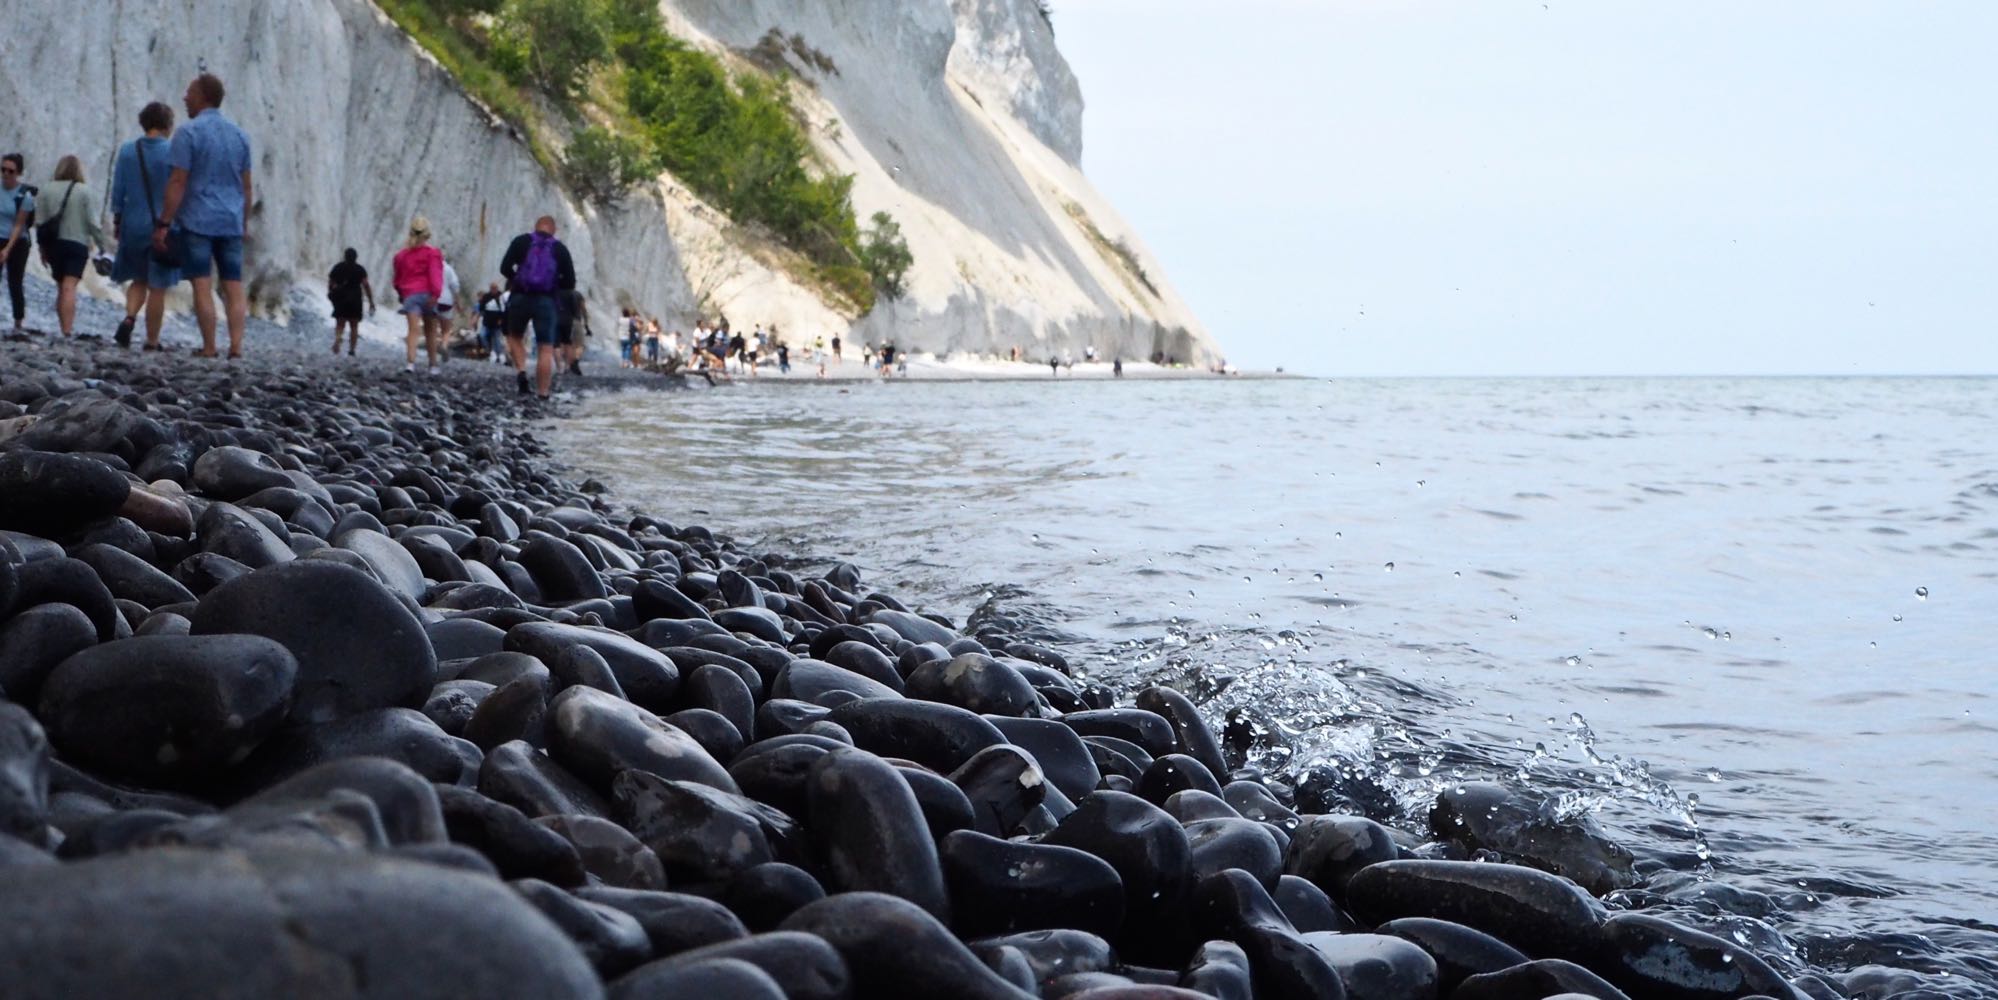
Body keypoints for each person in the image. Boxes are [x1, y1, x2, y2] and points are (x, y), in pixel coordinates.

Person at [155, 73, 253, 359]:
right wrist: (243, 221)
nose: (185, 97)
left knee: (202, 282)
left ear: (204, 97)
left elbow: (177, 181)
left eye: (190, 93)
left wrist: (164, 222)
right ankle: (236, 346)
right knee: (233, 283)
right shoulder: (240, 136)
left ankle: (210, 346)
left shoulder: (188, 133)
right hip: (231, 220)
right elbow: (247, 186)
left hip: (198, 219)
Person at [109, 102, 181, 349]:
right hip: (162, 226)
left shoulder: (128, 151)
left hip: (133, 223)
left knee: (138, 279)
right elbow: (178, 189)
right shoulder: (172, 152)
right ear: (166, 124)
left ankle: (129, 318)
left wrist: (117, 220)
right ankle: (152, 340)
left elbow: (118, 189)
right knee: (157, 286)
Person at [29, 156, 109, 339]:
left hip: (54, 245)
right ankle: (67, 331)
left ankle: (63, 328)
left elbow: (39, 222)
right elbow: (92, 223)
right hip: (77, 244)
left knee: (61, 287)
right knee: (69, 287)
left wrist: (42, 249)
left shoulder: (47, 189)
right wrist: (102, 245)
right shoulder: (84, 191)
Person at [498, 215, 576, 399]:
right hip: (546, 301)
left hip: (520, 296)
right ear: (553, 230)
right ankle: (543, 393)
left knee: (515, 336)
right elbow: (570, 283)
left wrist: (516, 279)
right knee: (546, 348)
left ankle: (522, 372)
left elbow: (504, 267)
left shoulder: (521, 241)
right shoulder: (560, 249)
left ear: (536, 227)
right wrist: (555, 286)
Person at [390, 216, 444, 374]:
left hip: (411, 295)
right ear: (427, 234)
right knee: (430, 331)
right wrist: (436, 294)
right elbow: (435, 275)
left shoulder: (401, 256)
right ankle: (433, 365)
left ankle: (410, 363)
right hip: (428, 294)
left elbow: (397, 279)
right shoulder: (433, 253)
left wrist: (401, 293)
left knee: (413, 330)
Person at [1, 154, 34, 334]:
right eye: (3, 169)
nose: (5, 174)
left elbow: (19, 225)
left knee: (15, 281)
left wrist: (7, 249)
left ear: (19, 173)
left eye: (10, 171)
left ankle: (18, 321)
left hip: (18, 241)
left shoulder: (25, 196)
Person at [326, 247, 373, 355]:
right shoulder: (360, 269)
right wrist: (371, 301)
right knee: (354, 326)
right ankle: (352, 350)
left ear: (345, 256)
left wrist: (331, 294)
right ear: (356, 257)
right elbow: (366, 285)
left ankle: (338, 340)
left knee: (340, 323)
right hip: (355, 299)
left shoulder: (338, 267)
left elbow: (331, 283)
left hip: (341, 297)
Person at [477, 283, 506, 363]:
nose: (493, 289)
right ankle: (489, 351)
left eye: (495, 288)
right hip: (486, 322)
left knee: (497, 339)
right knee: (482, 335)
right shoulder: (486, 296)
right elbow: (481, 308)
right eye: (492, 288)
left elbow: (504, 309)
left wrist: (501, 319)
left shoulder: (501, 296)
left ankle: (500, 354)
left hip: (497, 323)